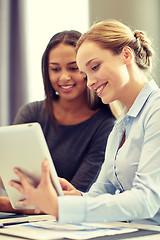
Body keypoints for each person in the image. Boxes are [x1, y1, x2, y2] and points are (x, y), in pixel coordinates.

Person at [9, 19, 160, 225]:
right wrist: (76, 197)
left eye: (95, 67)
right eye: (85, 75)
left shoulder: (156, 111)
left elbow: (146, 201)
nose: (90, 83)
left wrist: (59, 207)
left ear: (126, 55)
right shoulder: (122, 123)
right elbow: (101, 191)